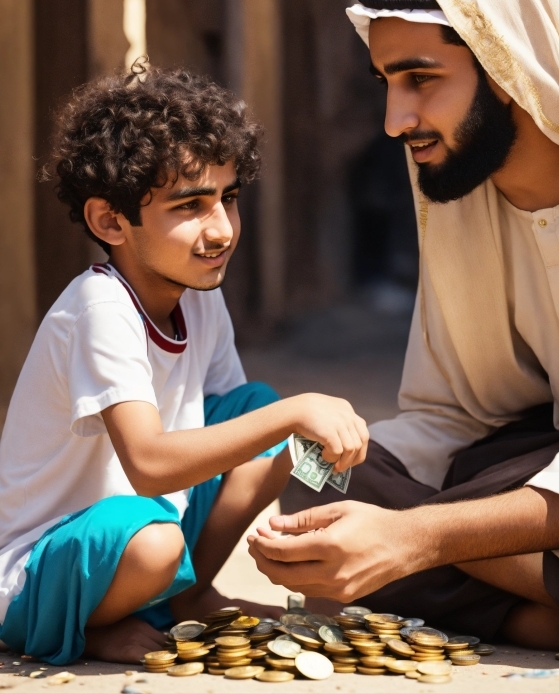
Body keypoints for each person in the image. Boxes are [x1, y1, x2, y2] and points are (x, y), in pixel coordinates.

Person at [248, 0, 559, 654]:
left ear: (508, 67)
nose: (394, 121)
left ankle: (543, 613)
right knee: (324, 488)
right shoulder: (462, 190)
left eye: (420, 80)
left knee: (404, 528)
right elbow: (458, 417)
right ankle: (557, 607)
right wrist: (293, 460)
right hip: (553, 479)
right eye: (384, 84)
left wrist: (416, 538)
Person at [0, 65, 369, 665]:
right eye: (191, 205)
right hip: (46, 568)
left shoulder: (199, 298)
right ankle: (78, 627)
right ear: (110, 221)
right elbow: (148, 466)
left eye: (228, 198)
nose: (221, 229)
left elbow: (242, 436)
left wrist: (294, 436)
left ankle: (189, 597)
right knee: (157, 541)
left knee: (259, 414)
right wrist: (299, 412)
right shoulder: (98, 308)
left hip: (148, 523)